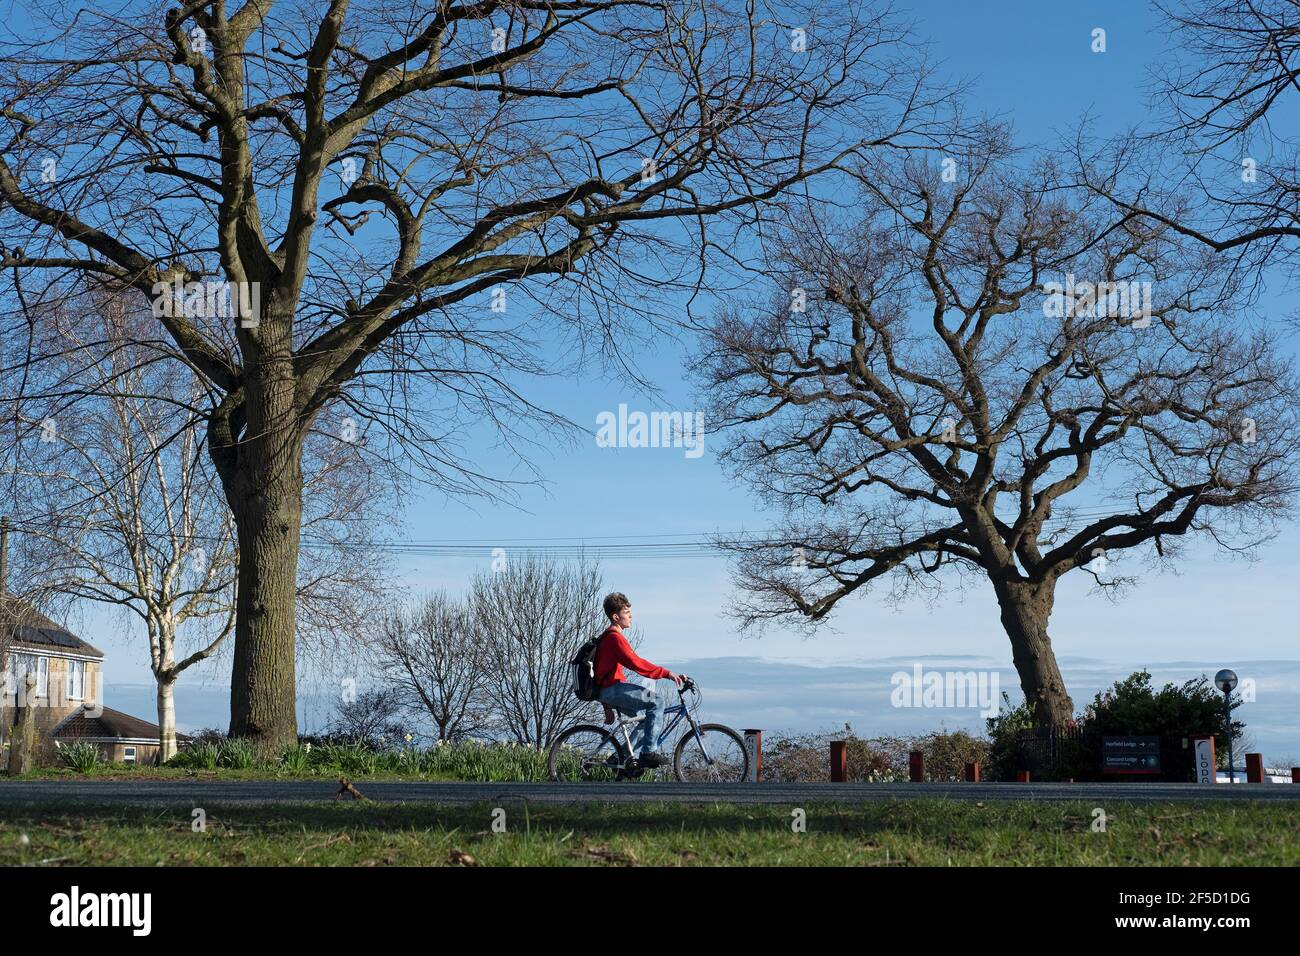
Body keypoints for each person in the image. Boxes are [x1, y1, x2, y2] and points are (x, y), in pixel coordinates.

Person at [593, 592, 685, 767]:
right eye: (627, 613)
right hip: (613, 690)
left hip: (609, 691)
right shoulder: (614, 638)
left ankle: (620, 757)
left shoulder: (608, 637)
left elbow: (601, 672)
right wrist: (667, 673)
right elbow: (636, 663)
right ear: (615, 616)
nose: (631, 616)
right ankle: (648, 753)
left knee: (648, 720)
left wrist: (605, 704)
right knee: (657, 701)